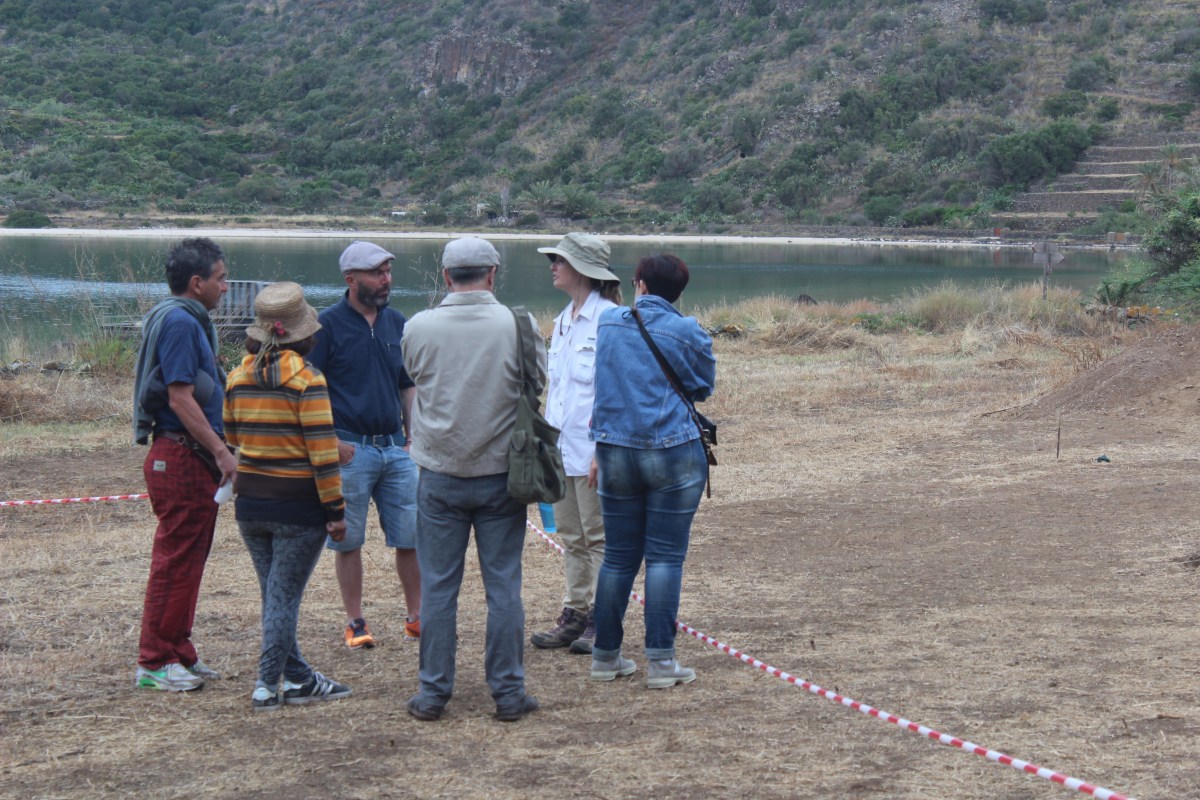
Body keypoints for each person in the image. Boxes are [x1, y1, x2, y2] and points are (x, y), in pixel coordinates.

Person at [401, 237, 543, 722]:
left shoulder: (419, 326)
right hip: (503, 474)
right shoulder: (519, 324)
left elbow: (414, 375)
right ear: (493, 274)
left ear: (446, 276)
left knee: (439, 589)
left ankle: (432, 693)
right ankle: (508, 692)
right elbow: (537, 382)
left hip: (439, 474)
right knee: (503, 587)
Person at [587, 254, 716, 690]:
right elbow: (703, 386)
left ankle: (605, 656)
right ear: (679, 291)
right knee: (664, 557)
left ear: (639, 284)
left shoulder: (608, 323)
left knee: (618, 557)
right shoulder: (688, 330)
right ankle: (661, 662)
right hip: (673, 450)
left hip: (615, 449)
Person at [223, 282, 352, 710]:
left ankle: (299, 679)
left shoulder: (236, 378)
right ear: (304, 335)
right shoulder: (308, 381)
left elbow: (232, 437)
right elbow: (322, 453)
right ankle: (266, 684)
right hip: (299, 510)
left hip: (251, 507)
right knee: (283, 598)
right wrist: (335, 510)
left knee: (276, 595)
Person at [131, 237, 236, 691]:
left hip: (187, 456)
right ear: (197, 283)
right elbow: (179, 397)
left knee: (190, 560)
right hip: (182, 457)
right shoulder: (180, 323)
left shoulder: (184, 319)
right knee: (175, 562)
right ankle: (155, 662)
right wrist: (220, 451)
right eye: (221, 279)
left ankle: (179, 652)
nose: (225, 287)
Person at [308, 241, 421, 650]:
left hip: (396, 450)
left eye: (388, 271)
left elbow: (407, 385)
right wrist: (331, 443)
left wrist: (412, 439)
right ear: (351, 279)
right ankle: (355, 622)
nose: (386, 280)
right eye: (377, 273)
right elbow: (309, 390)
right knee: (348, 540)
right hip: (350, 452)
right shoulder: (326, 326)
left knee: (411, 537)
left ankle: (417, 617)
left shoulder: (397, 323)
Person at [529, 233, 621, 654]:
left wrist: (604, 448)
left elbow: (615, 391)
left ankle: (603, 619)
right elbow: (561, 391)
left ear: (583, 269)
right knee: (570, 534)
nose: (553, 266)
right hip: (562, 450)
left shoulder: (610, 319)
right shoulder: (564, 319)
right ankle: (575, 613)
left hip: (593, 451)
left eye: (560, 260)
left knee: (598, 537)